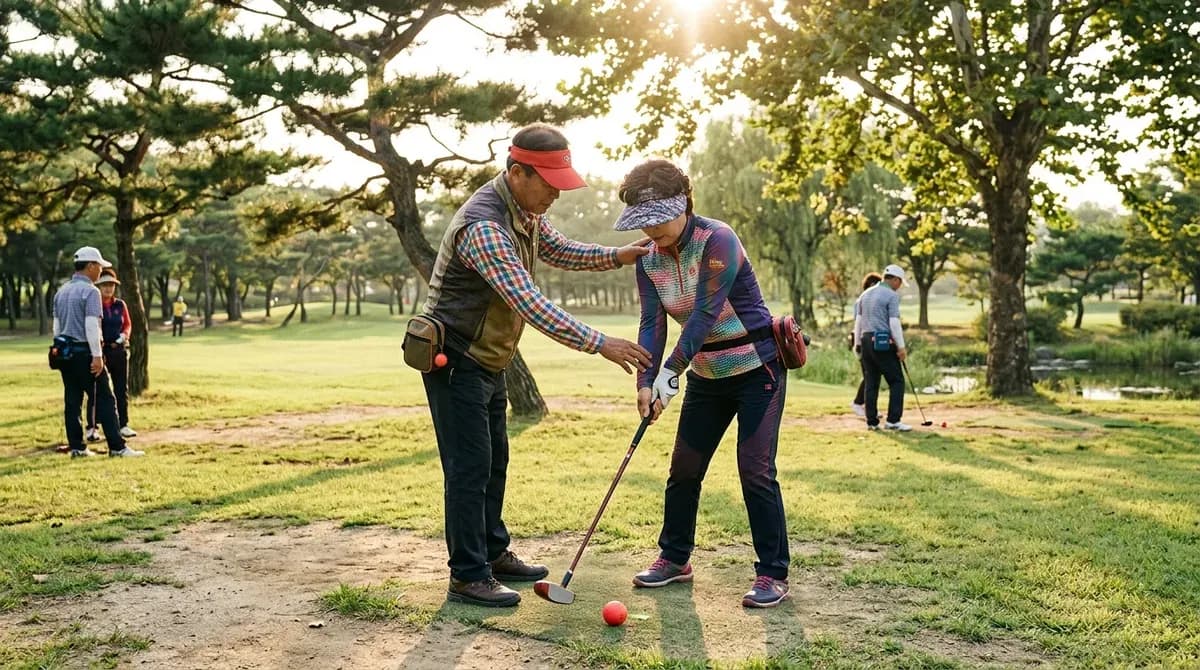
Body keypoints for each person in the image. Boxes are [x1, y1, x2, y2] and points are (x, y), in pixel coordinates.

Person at [419, 124, 653, 608]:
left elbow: (560, 248)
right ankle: (467, 575)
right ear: (516, 170)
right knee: (468, 469)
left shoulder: (523, 210)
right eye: (547, 182)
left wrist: (618, 255)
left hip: (488, 360)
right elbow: (530, 302)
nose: (555, 193)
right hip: (456, 360)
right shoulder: (485, 226)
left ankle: (493, 552)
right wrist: (599, 342)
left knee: (494, 462)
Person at [616, 159, 792, 608]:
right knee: (684, 469)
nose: (651, 230)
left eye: (658, 219)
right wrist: (646, 379)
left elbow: (704, 314)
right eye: (643, 223)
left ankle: (772, 573)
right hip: (707, 377)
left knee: (755, 470)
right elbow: (651, 324)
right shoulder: (648, 260)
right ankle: (675, 559)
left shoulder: (718, 239)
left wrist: (669, 372)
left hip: (758, 370)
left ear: (684, 205)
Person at [52, 247, 144, 458]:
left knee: (72, 399)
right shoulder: (91, 292)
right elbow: (92, 326)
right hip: (85, 351)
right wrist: (97, 356)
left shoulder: (61, 291)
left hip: (65, 352)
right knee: (105, 397)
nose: (100, 271)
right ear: (91, 266)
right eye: (99, 266)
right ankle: (117, 447)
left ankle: (77, 447)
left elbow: (56, 328)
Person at [855, 264, 911, 432]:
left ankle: (871, 422)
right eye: (900, 282)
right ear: (895, 279)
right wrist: (901, 347)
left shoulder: (864, 295)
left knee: (871, 381)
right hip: (882, 341)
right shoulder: (891, 296)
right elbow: (894, 323)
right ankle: (893, 420)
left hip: (865, 341)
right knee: (896, 380)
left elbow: (858, 322)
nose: (899, 286)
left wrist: (857, 344)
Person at [85, 268, 137, 441]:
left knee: (121, 388)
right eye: (105, 285)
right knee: (96, 390)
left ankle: (123, 424)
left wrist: (123, 337)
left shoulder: (120, 305)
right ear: (98, 286)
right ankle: (93, 427)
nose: (108, 289)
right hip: (100, 351)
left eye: (111, 285)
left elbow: (127, 325)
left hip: (119, 350)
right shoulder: (94, 304)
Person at [850, 272, 883, 419]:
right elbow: (859, 322)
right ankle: (858, 403)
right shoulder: (862, 300)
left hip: (868, 339)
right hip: (861, 339)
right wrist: (857, 344)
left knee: (873, 375)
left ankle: (870, 409)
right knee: (869, 375)